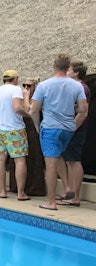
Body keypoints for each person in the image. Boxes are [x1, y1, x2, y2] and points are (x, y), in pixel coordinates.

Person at [30, 54, 87, 210]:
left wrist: (37, 126)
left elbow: (34, 110)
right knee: (59, 156)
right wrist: (73, 124)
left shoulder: (44, 85)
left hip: (50, 127)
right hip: (67, 129)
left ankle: (51, 202)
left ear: (54, 67)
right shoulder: (77, 86)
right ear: (67, 68)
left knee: (50, 166)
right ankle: (68, 187)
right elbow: (83, 110)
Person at [55, 60, 90, 207]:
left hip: (76, 129)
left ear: (76, 73)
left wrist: (72, 127)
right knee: (68, 160)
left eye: (69, 70)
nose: (66, 72)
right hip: (69, 127)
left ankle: (75, 196)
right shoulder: (74, 87)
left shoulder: (81, 88)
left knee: (74, 161)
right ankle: (69, 192)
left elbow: (82, 111)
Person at [0, 69, 30, 200]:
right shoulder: (16, 89)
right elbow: (17, 108)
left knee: (0, 159)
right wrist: (28, 114)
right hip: (15, 129)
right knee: (19, 160)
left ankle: (2, 190)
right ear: (15, 79)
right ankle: (20, 193)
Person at [9, 78, 45, 196]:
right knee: (19, 157)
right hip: (21, 129)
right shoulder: (19, 98)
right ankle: (17, 185)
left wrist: (26, 97)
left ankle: (33, 187)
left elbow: (29, 110)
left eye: (29, 86)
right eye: (24, 85)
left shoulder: (36, 99)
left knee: (33, 157)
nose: (26, 88)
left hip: (33, 129)